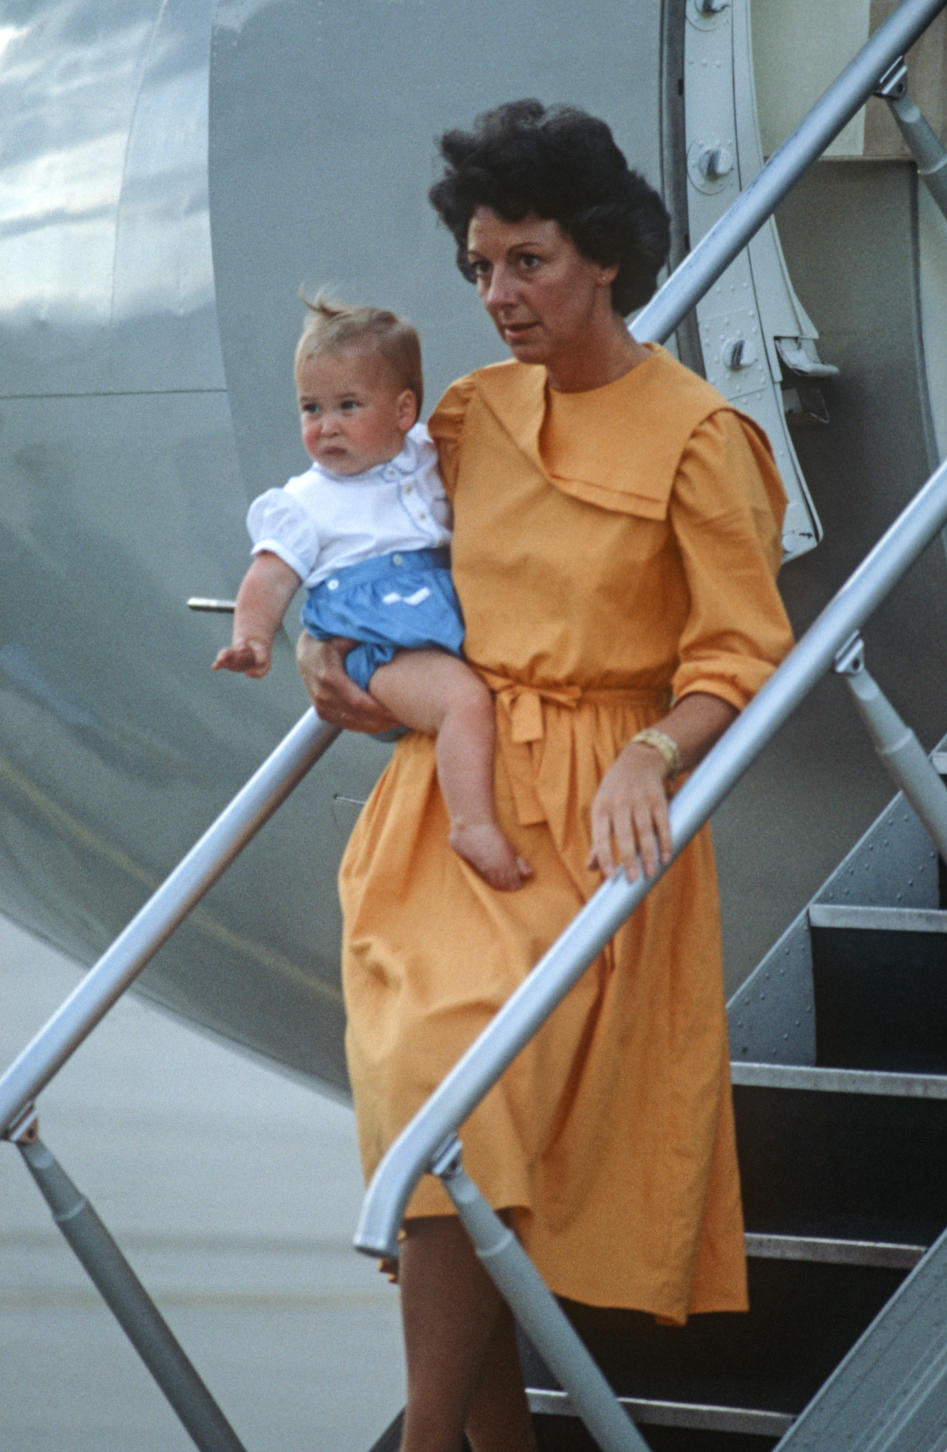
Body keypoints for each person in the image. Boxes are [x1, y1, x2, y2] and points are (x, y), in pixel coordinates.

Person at [297, 100, 795, 1452]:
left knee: (470, 1120)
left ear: (608, 257)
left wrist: (653, 749)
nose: (498, 296)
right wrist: (332, 661)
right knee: (445, 1121)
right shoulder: (463, 416)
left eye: (527, 261)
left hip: (585, 827)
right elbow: (383, 572)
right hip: (441, 815)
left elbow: (745, 655)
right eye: (479, 268)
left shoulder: (701, 437)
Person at [213, 294, 531, 892]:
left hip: (434, 612)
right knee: (462, 701)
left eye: (347, 406)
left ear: (404, 410)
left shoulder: (427, 460)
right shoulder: (306, 502)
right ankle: (472, 824)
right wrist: (252, 638)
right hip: (379, 641)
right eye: (311, 408)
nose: (325, 426)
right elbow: (270, 575)